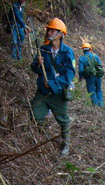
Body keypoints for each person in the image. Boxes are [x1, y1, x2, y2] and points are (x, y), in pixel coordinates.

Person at [30, 18, 76, 156]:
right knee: (35, 115)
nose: (49, 32)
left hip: (58, 93)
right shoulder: (43, 49)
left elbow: (69, 75)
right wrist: (38, 64)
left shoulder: (67, 52)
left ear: (61, 34)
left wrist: (52, 84)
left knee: (62, 120)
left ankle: (66, 144)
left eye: (52, 30)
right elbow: (34, 68)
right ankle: (45, 138)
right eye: (48, 29)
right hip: (43, 92)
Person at [78, 43, 104, 107]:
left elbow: (81, 70)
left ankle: (95, 106)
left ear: (83, 50)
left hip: (89, 78)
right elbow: (100, 66)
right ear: (90, 49)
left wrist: (80, 77)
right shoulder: (95, 56)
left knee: (92, 91)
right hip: (98, 76)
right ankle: (101, 105)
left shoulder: (81, 59)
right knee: (98, 89)